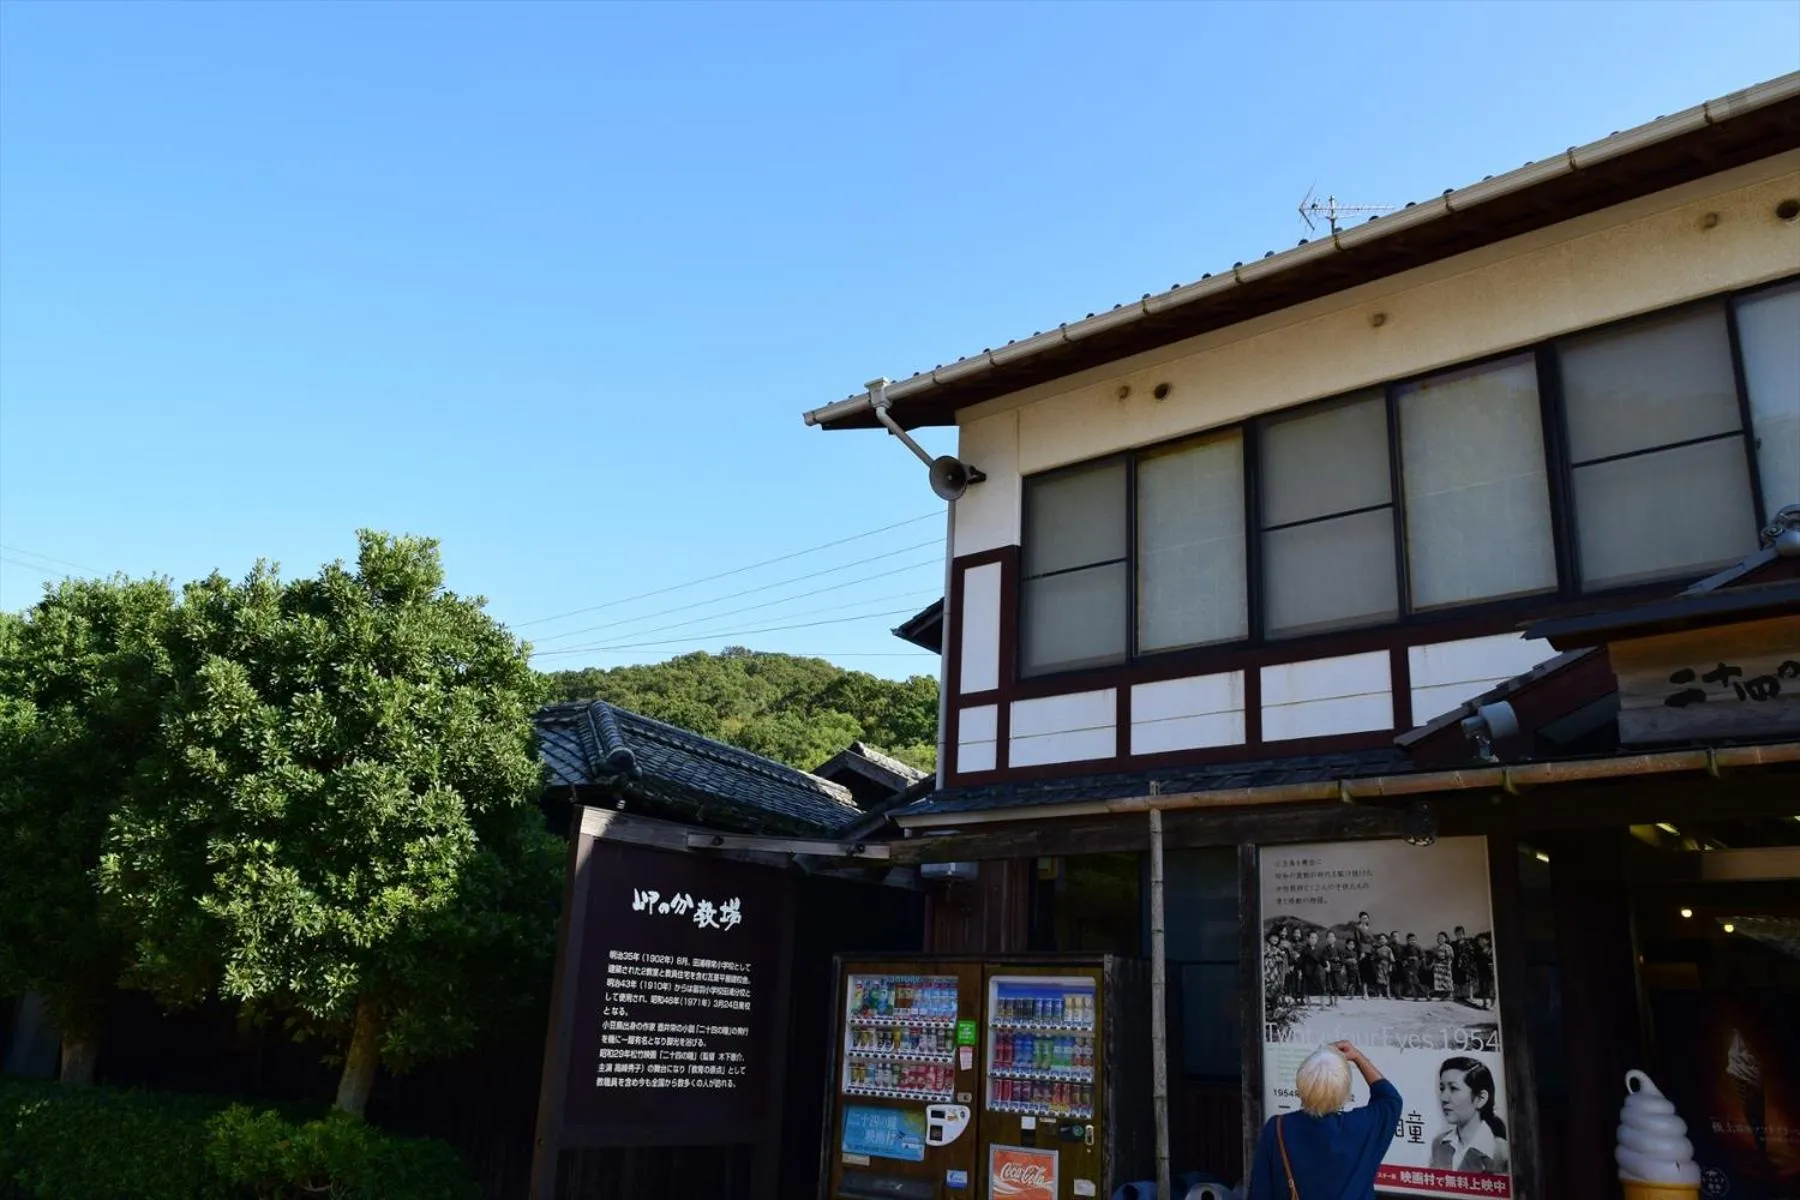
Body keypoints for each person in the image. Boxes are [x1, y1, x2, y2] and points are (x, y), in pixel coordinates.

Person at [1250, 1041, 1401, 1199]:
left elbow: (1260, 1192)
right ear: (1344, 1091)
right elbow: (1390, 1099)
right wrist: (1358, 1057)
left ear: (1301, 1085)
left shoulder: (1277, 1128)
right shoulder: (1362, 1127)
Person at [1431, 1057, 1511, 1175]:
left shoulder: (1501, 1153)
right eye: (1442, 1088)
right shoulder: (1439, 1143)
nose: (1443, 1098)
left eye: (1453, 1088)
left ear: (1481, 1098)